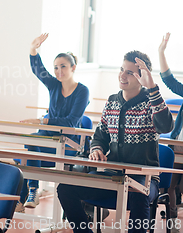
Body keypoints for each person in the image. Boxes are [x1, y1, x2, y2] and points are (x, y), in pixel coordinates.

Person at [57, 50, 174, 233]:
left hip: (144, 180)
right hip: (113, 176)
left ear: (142, 77)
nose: (122, 75)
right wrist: (96, 148)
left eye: (130, 72)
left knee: (139, 194)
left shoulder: (151, 102)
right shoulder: (112, 101)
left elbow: (166, 126)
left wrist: (152, 88)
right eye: (122, 69)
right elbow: (100, 135)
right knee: (66, 188)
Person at [18, 33, 90, 211]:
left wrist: (44, 120)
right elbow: (38, 69)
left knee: (29, 153)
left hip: (70, 145)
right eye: (56, 67)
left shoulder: (82, 91)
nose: (59, 71)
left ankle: (24, 195)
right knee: (30, 145)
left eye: (63, 67)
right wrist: (33, 49)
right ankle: (31, 192)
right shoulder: (54, 85)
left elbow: (71, 123)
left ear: (73, 67)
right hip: (48, 139)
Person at [159, 32, 183, 226]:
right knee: (171, 185)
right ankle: (172, 221)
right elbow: (169, 80)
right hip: (178, 145)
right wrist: (161, 51)